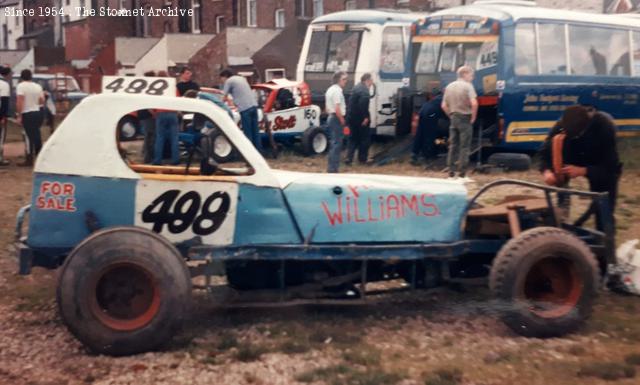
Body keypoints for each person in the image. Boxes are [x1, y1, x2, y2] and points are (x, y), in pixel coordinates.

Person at [539, 105, 622, 228]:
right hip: (572, 156)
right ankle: (562, 214)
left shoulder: (604, 128)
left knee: (604, 208)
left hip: (598, 161)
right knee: (560, 187)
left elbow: (610, 170)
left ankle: (605, 238)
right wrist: (546, 171)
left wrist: (584, 171)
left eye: (575, 135)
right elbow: (544, 152)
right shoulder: (562, 125)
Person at [441, 65, 478, 178]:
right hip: (465, 118)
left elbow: (443, 105)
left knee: (453, 145)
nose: (472, 78)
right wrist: (473, 117)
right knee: (464, 147)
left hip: (454, 118)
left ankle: (451, 171)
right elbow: (474, 103)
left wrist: (451, 115)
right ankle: (462, 173)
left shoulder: (449, 86)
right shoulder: (468, 86)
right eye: (471, 75)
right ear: (465, 74)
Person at [219, 68, 261, 151]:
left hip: (245, 108)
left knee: (248, 132)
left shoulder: (229, 81)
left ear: (225, 76)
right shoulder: (241, 78)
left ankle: (249, 154)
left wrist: (217, 105)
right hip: (253, 106)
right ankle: (259, 151)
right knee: (255, 131)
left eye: (221, 79)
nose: (222, 81)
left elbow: (224, 96)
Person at [16, 69, 45, 167]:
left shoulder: (21, 86)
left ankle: (29, 159)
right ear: (31, 76)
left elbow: (20, 100)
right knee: (36, 134)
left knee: (28, 136)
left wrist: (19, 115)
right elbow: (42, 100)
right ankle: (40, 157)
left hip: (27, 113)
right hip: (37, 112)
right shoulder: (38, 86)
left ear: (21, 77)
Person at [411, 90, 445, 166]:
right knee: (430, 135)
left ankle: (414, 154)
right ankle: (426, 157)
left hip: (423, 110)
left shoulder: (437, 97)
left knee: (420, 133)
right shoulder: (446, 98)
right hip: (431, 113)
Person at [345, 73, 373, 166]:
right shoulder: (364, 91)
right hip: (360, 118)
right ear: (367, 80)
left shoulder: (356, 87)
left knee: (352, 139)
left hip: (351, 117)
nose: (372, 83)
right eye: (371, 81)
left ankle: (349, 158)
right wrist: (365, 117)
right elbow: (363, 104)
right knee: (364, 139)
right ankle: (363, 159)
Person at [325, 71, 348, 173]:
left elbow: (326, 108)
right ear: (339, 80)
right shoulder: (337, 91)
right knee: (337, 143)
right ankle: (334, 168)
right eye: (344, 79)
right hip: (336, 117)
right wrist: (342, 120)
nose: (346, 82)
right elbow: (337, 108)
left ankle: (331, 167)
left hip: (331, 116)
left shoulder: (330, 90)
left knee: (333, 142)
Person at [0, 66, 10, 166]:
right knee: (1, 136)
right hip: (0, 114)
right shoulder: (4, 84)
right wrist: (3, 116)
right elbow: (4, 101)